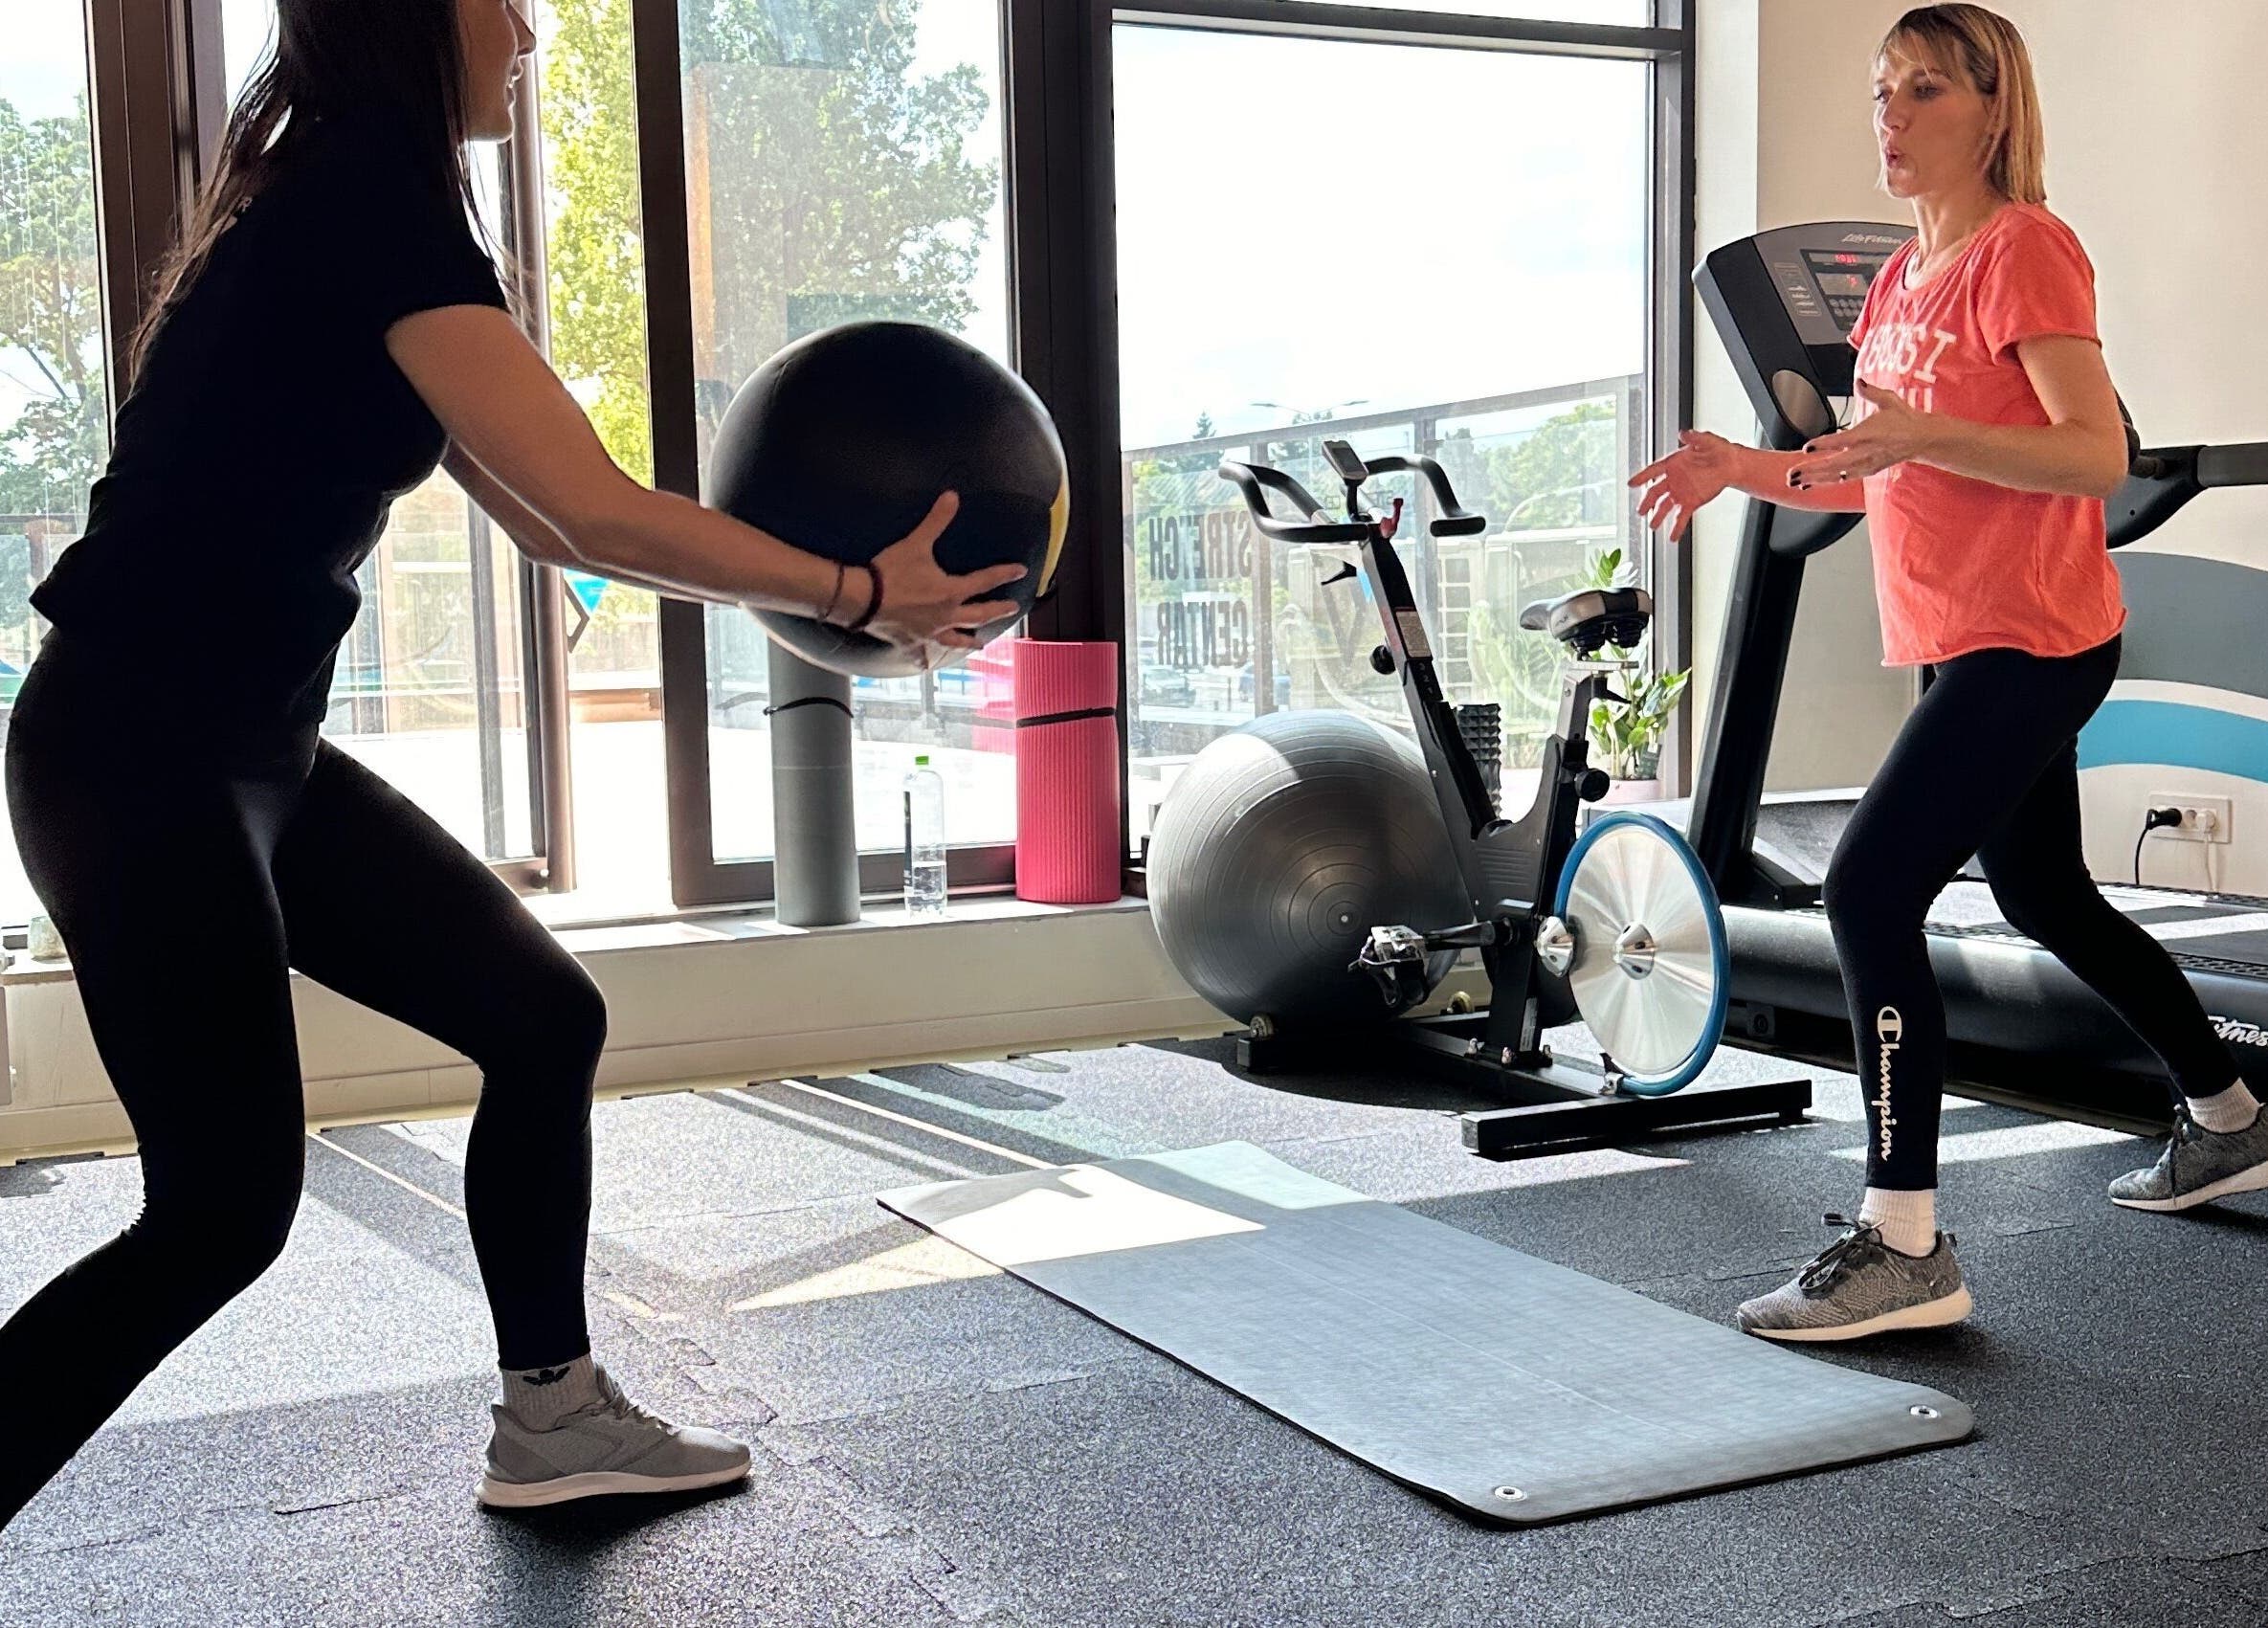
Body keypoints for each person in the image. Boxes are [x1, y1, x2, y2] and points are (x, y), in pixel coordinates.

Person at [0, 0, 1026, 1528]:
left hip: (246, 749)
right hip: (137, 753)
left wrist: (829, 593)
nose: (531, 29)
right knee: (221, 1208)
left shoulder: (358, 205)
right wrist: (857, 594)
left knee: (540, 1017)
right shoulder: (361, 202)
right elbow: (595, 510)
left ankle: (550, 1417)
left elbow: (549, 519)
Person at [1628, 3, 2268, 1343]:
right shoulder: (1900, 278)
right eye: (1880, 93)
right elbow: (1875, 463)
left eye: (1922, 91)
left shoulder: (2022, 251)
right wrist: (1742, 467)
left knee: (1866, 888)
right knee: (2041, 894)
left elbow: (2094, 454)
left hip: (2032, 636)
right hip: (1964, 635)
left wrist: (1925, 429)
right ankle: (2227, 1117)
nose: (1892, 118)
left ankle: (1903, 1236)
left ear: (1990, 108)